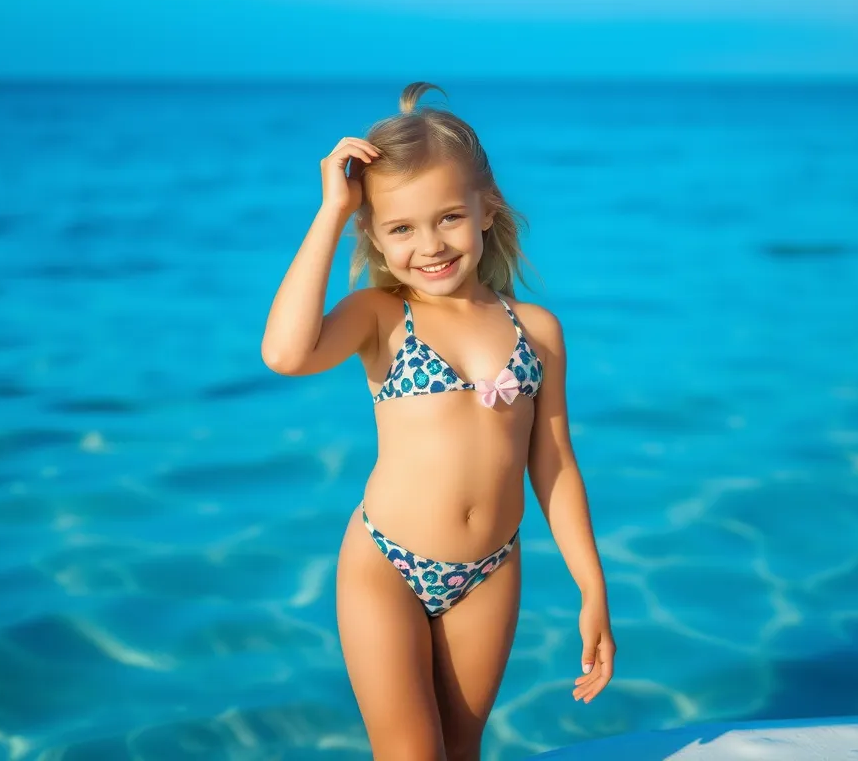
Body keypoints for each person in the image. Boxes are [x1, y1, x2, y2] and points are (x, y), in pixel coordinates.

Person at [261, 82, 615, 760]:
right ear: (374, 233)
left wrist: (591, 586)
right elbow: (284, 353)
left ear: (488, 209)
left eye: (449, 216)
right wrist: (333, 212)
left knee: (461, 750)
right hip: (384, 567)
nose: (430, 244)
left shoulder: (535, 330)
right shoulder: (381, 316)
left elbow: (556, 463)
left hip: (491, 569)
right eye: (400, 227)